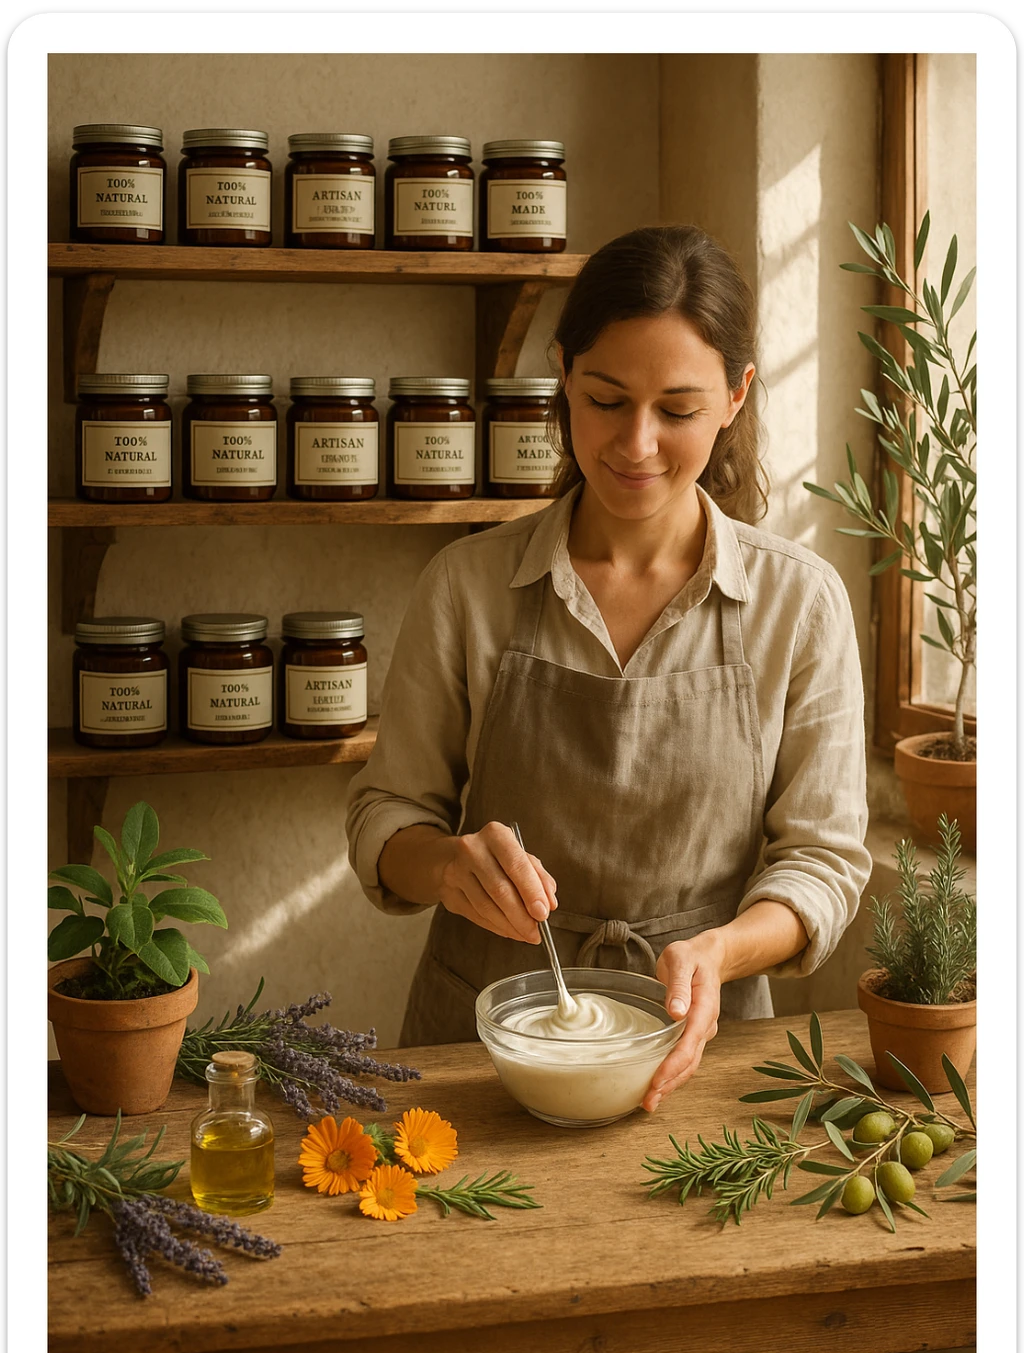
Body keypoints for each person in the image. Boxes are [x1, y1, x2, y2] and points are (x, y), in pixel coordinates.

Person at [346, 224, 870, 1109]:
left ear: (737, 396)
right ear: (561, 372)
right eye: (605, 398)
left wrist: (720, 954)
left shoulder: (799, 603)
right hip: (481, 1050)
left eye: (677, 409)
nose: (635, 443)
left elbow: (822, 859)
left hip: (703, 1048)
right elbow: (386, 814)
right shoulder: (469, 585)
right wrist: (445, 866)